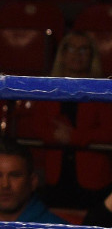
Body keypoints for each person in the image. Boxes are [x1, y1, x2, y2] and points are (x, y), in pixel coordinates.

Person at [16, 30, 112, 210]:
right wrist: (56, 136)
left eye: (84, 49)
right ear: (63, 53)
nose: (77, 54)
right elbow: (38, 125)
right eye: (72, 49)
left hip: (94, 178)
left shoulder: (104, 89)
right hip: (56, 176)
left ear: (92, 55)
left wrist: (74, 137)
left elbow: (109, 131)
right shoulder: (48, 88)